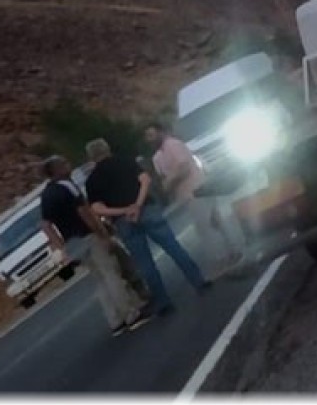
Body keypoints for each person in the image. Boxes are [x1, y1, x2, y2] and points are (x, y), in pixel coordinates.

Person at [84, 138, 209, 317]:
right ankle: (198, 281)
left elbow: (96, 208)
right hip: (147, 209)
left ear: (91, 157)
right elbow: (145, 180)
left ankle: (163, 301)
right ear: (107, 148)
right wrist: (137, 204)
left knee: (145, 263)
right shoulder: (126, 161)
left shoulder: (92, 181)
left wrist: (123, 210)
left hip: (123, 221)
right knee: (173, 247)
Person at [38, 155, 151, 336]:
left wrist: (61, 247)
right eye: (64, 164)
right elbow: (84, 211)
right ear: (57, 170)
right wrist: (101, 232)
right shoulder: (67, 186)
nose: (69, 165)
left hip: (72, 242)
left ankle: (115, 320)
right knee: (111, 273)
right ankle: (131, 313)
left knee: (99, 280)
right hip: (87, 235)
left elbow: (45, 224)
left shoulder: (46, 194)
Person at [145, 122, 243, 276]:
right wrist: (167, 184)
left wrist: (170, 182)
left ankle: (222, 259)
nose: (149, 139)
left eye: (151, 135)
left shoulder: (173, 145)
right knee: (214, 221)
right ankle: (232, 250)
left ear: (161, 132)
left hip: (197, 188)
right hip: (186, 194)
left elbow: (183, 167)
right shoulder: (157, 157)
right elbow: (163, 176)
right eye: (147, 136)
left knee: (206, 226)